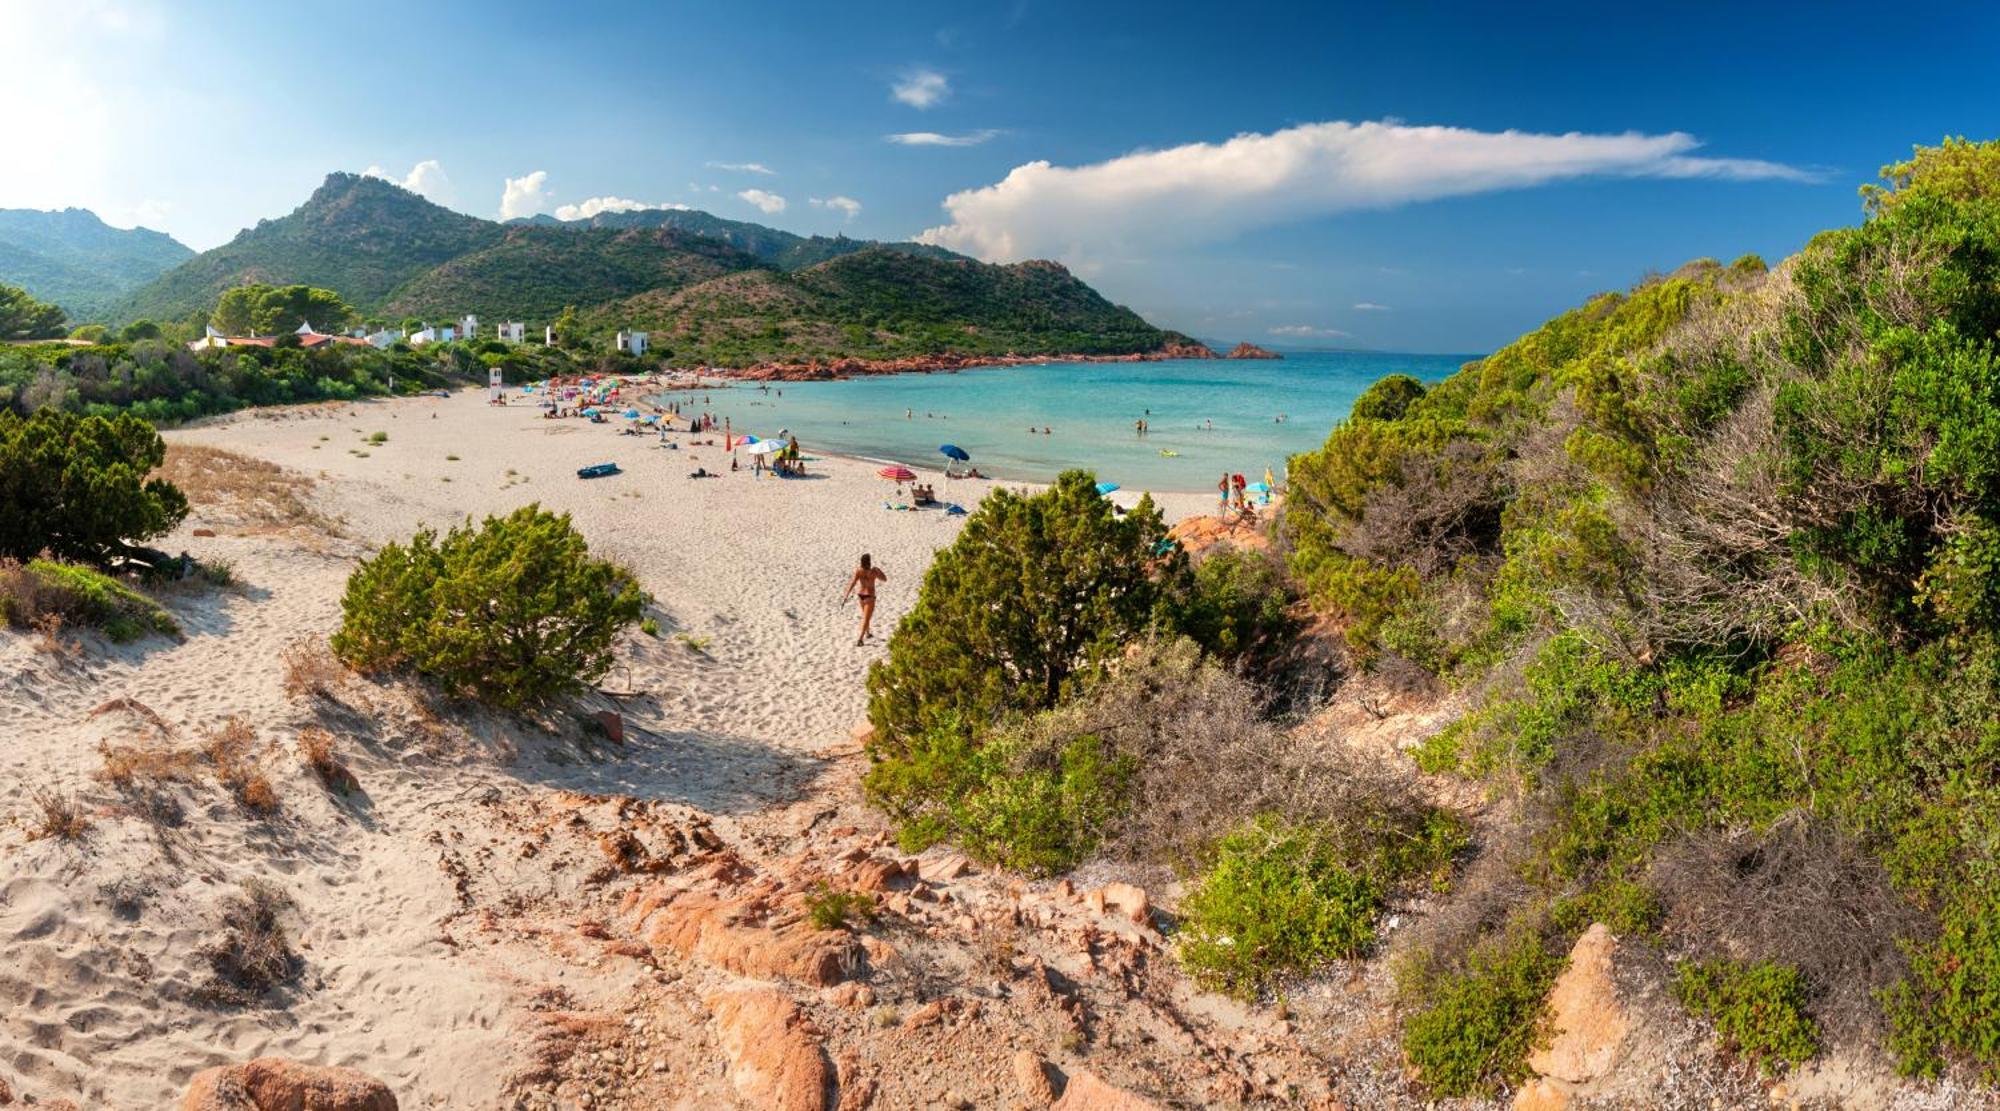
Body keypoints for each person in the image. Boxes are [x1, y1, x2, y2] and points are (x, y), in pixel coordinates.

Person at [843, 554, 888, 645]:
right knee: (866, 618)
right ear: (869, 561)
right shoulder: (873, 571)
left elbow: (853, 582)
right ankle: (860, 639)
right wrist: (879, 570)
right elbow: (884, 579)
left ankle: (867, 633)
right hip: (870, 596)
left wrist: (846, 595)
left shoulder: (859, 571)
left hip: (861, 596)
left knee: (865, 615)